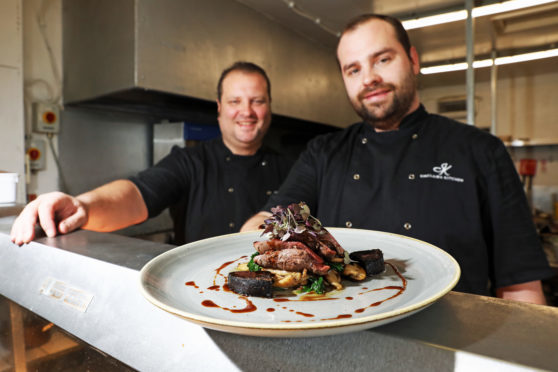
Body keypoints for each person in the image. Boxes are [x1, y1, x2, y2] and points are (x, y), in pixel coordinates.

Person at [241, 15, 554, 304]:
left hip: (455, 341)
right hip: (339, 335)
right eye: (354, 69)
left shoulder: (482, 150)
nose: (369, 78)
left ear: (413, 60)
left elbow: (520, 283)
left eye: (383, 59)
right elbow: (264, 221)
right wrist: (266, 244)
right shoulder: (323, 152)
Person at [11, 61, 293, 245]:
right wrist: (82, 206)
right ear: (219, 107)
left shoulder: (293, 169)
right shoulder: (189, 161)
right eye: (235, 101)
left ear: (269, 106)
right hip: (197, 296)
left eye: (257, 101)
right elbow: (137, 193)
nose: (246, 111)